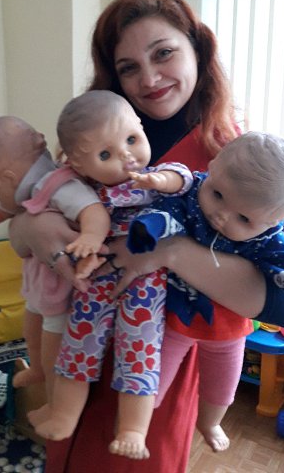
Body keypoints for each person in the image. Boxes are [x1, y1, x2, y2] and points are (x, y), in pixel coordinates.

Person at [8, 0, 284, 472]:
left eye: (163, 54)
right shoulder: (94, 141)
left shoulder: (236, 157)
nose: (149, 78)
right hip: (77, 348)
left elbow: (274, 300)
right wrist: (31, 230)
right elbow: (23, 233)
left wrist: (168, 253)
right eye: (129, 67)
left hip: (155, 368)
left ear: (198, 50)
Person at [125, 131, 284, 450]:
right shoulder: (192, 193)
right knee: (152, 379)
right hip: (176, 319)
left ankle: (210, 423)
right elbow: (168, 212)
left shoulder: (267, 237)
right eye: (218, 194)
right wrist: (148, 229)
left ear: (274, 221)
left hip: (228, 330)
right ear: (213, 165)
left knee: (222, 389)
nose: (221, 216)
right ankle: (138, 422)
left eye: (244, 218)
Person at [28, 90, 193, 460]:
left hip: (145, 290)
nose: (126, 156)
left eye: (132, 139)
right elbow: (60, 226)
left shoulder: (154, 177)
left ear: (140, 126)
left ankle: (133, 429)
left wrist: (160, 181)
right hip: (94, 284)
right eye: (105, 155)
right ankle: (64, 415)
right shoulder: (83, 193)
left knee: (140, 352)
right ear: (79, 165)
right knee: (77, 346)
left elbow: (184, 179)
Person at [0, 115, 110, 401]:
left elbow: (92, 209)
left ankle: (54, 397)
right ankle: (36, 368)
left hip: (62, 287)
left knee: (53, 347)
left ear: (9, 177)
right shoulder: (27, 189)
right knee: (31, 329)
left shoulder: (59, 184)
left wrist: (91, 236)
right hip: (40, 284)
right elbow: (1, 211)